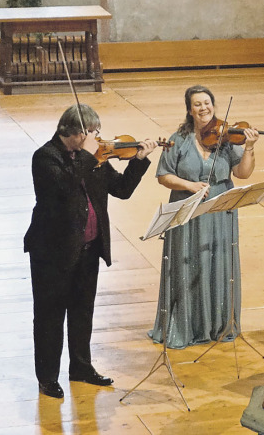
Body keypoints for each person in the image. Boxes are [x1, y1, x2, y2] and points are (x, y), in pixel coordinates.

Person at [25, 104, 158, 399]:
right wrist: (88, 156)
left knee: (83, 311)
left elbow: (121, 189)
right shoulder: (46, 157)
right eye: (92, 132)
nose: (98, 138)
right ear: (72, 132)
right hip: (53, 254)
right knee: (49, 316)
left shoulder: (96, 158)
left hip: (88, 249)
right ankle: (47, 377)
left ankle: (81, 367)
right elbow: (63, 188)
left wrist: (138, 160)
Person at [149, 85, 259, 349]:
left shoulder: (226, 138)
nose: (203, 108)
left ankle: (219, 324)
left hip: (220, 209)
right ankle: (187, 325)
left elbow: (243, 174)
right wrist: (189, 186)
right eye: (197, 104)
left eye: (207, 103)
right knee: (188, 263)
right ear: (190, 109)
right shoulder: (178, 139)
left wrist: (250, 148)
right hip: (188, 208)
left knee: (219, 262)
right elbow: (163, 175)